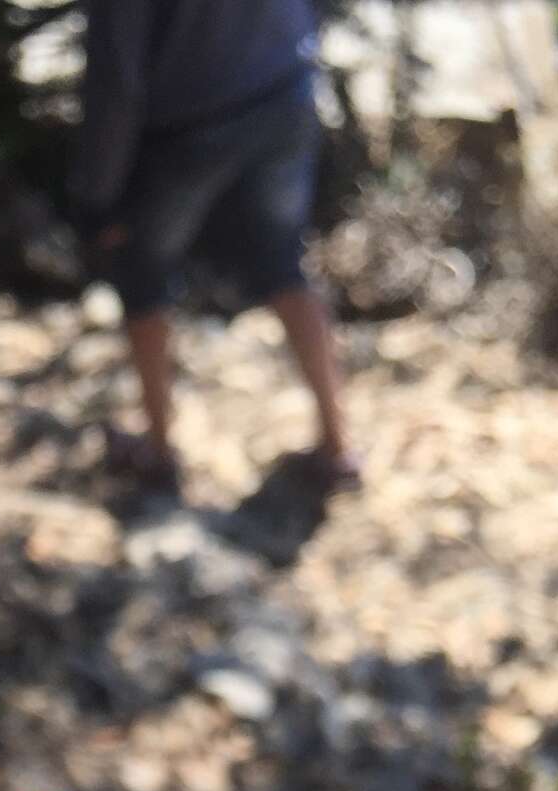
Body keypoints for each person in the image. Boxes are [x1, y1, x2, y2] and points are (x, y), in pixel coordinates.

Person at [71, 0, 358, 491]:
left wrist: (97, 195)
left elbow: (116, 77)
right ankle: (337, 445)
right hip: (284, 89)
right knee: (284, 266)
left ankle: (159, 450)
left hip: (191, 121)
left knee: (142, 274)